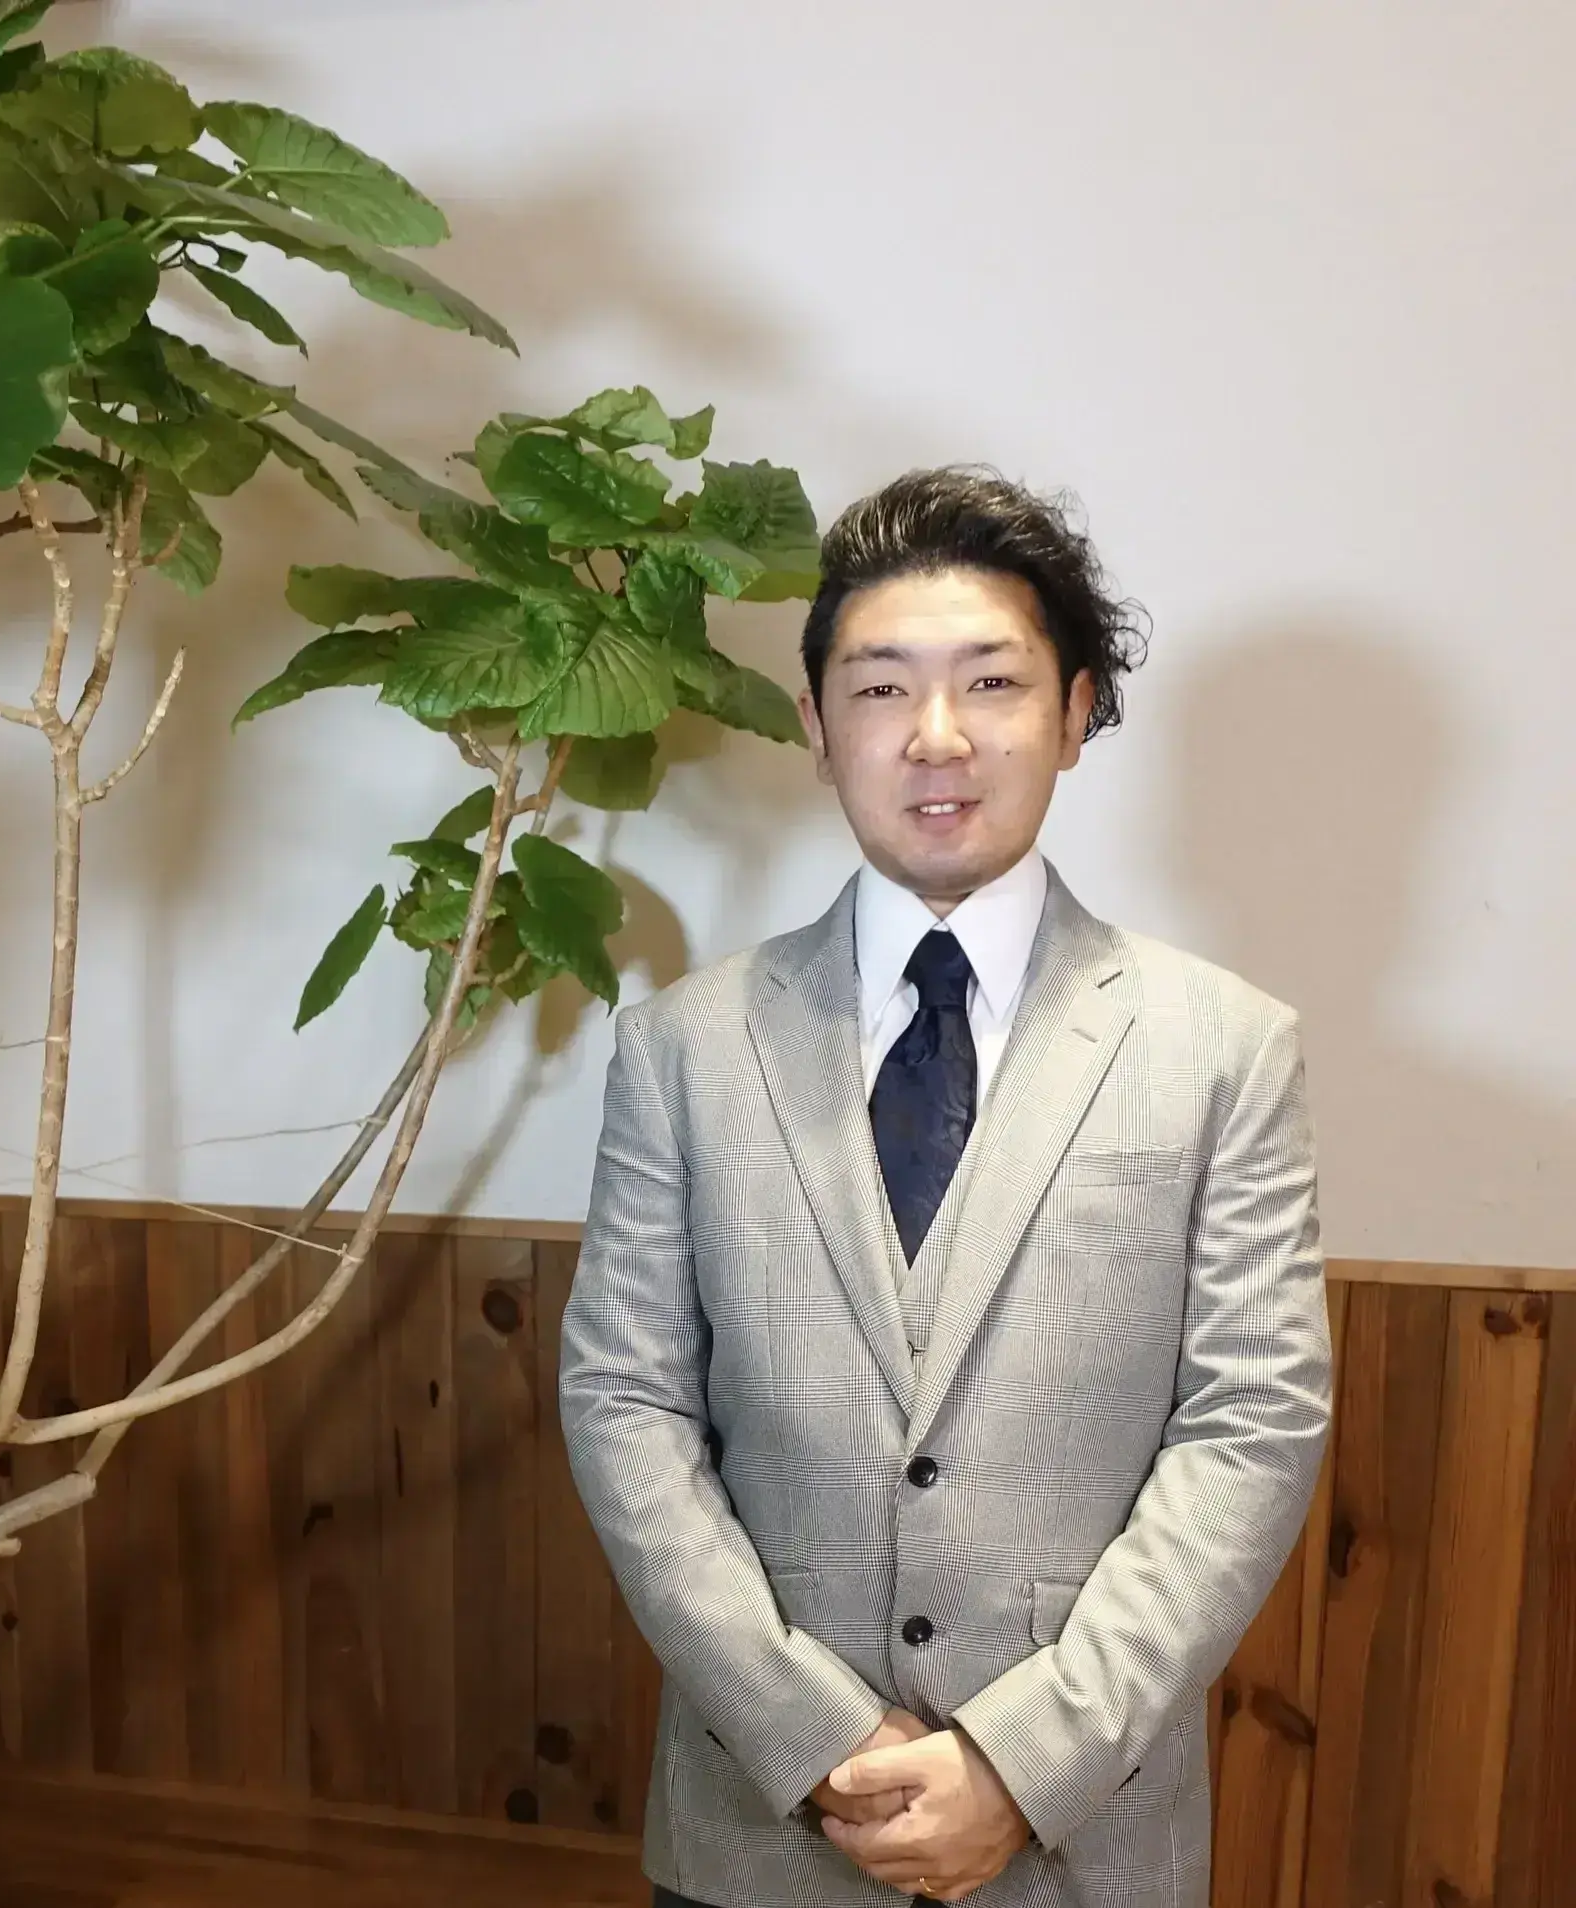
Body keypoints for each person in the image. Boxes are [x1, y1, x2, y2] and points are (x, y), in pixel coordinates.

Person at [557, 468, 1332, 1907]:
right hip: (758, 1838)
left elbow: (1254, 1422)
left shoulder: (1224, 1047)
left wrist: (1024, 1766)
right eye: (879, 687)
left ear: (1077, 712)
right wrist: (814, 1736)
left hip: (1084, 1842)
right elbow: (624, 1401)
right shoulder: (683, 1047)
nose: (937, 736)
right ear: (815, 724)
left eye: (992, 681)